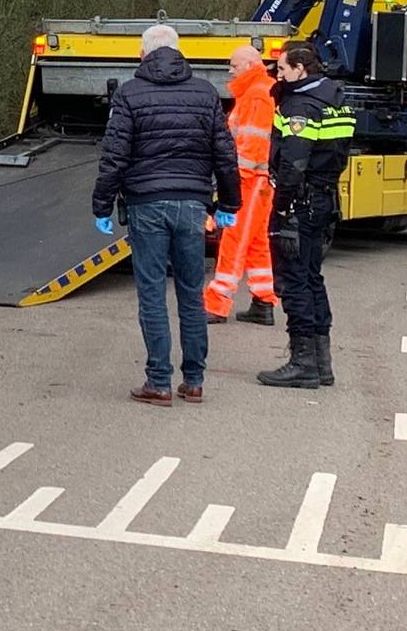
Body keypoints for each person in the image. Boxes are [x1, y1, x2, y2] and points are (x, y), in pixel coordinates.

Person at [93, 24, 242, 406]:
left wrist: (102, 205)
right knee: (192, 294)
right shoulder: (205, 93)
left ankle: (158, 381)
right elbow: (225, 155)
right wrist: (228, 204)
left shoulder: (129, 94)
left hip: (146, 204)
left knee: (153, 293)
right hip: (192, 204)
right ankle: (193, 381)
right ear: (179, 53)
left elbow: (114, 157)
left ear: (143, 56)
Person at [257, 41, 355, 389]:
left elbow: (293, 163)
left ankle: (302, 363)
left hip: (299, 203)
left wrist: (281, 206)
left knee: (294, 280)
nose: (278, 75)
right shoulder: (338, 99)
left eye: (282, 69)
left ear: (300, 69)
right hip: (324, 199)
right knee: (313, 278)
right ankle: (322, 363)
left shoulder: (300, 106)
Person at [204, 46, 279, 325]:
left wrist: (232, 186)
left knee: (233, 241)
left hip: (250, 182)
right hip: (258, 182)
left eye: (234, 66)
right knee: (257, 242)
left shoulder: (257, 94)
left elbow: (252, 146)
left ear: (249, 64)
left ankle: (217, 304)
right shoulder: (257, 90)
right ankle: (263, 301)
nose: (230, 70)